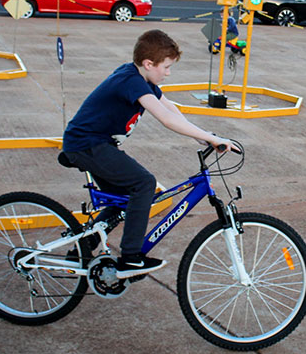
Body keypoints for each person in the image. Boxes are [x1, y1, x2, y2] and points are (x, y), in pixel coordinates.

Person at [61, 29, 234, 279]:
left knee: (122, 198)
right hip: (87, 144)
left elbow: (169, 107)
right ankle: (130, 258)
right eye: (166, 67)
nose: (168, 72)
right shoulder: (131, 81)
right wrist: (210, 138)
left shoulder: (142, 78)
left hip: (96, 144)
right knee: (144, 183)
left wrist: (204, 135)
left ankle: (81, 249)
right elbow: (164, 118)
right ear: (148, 63)